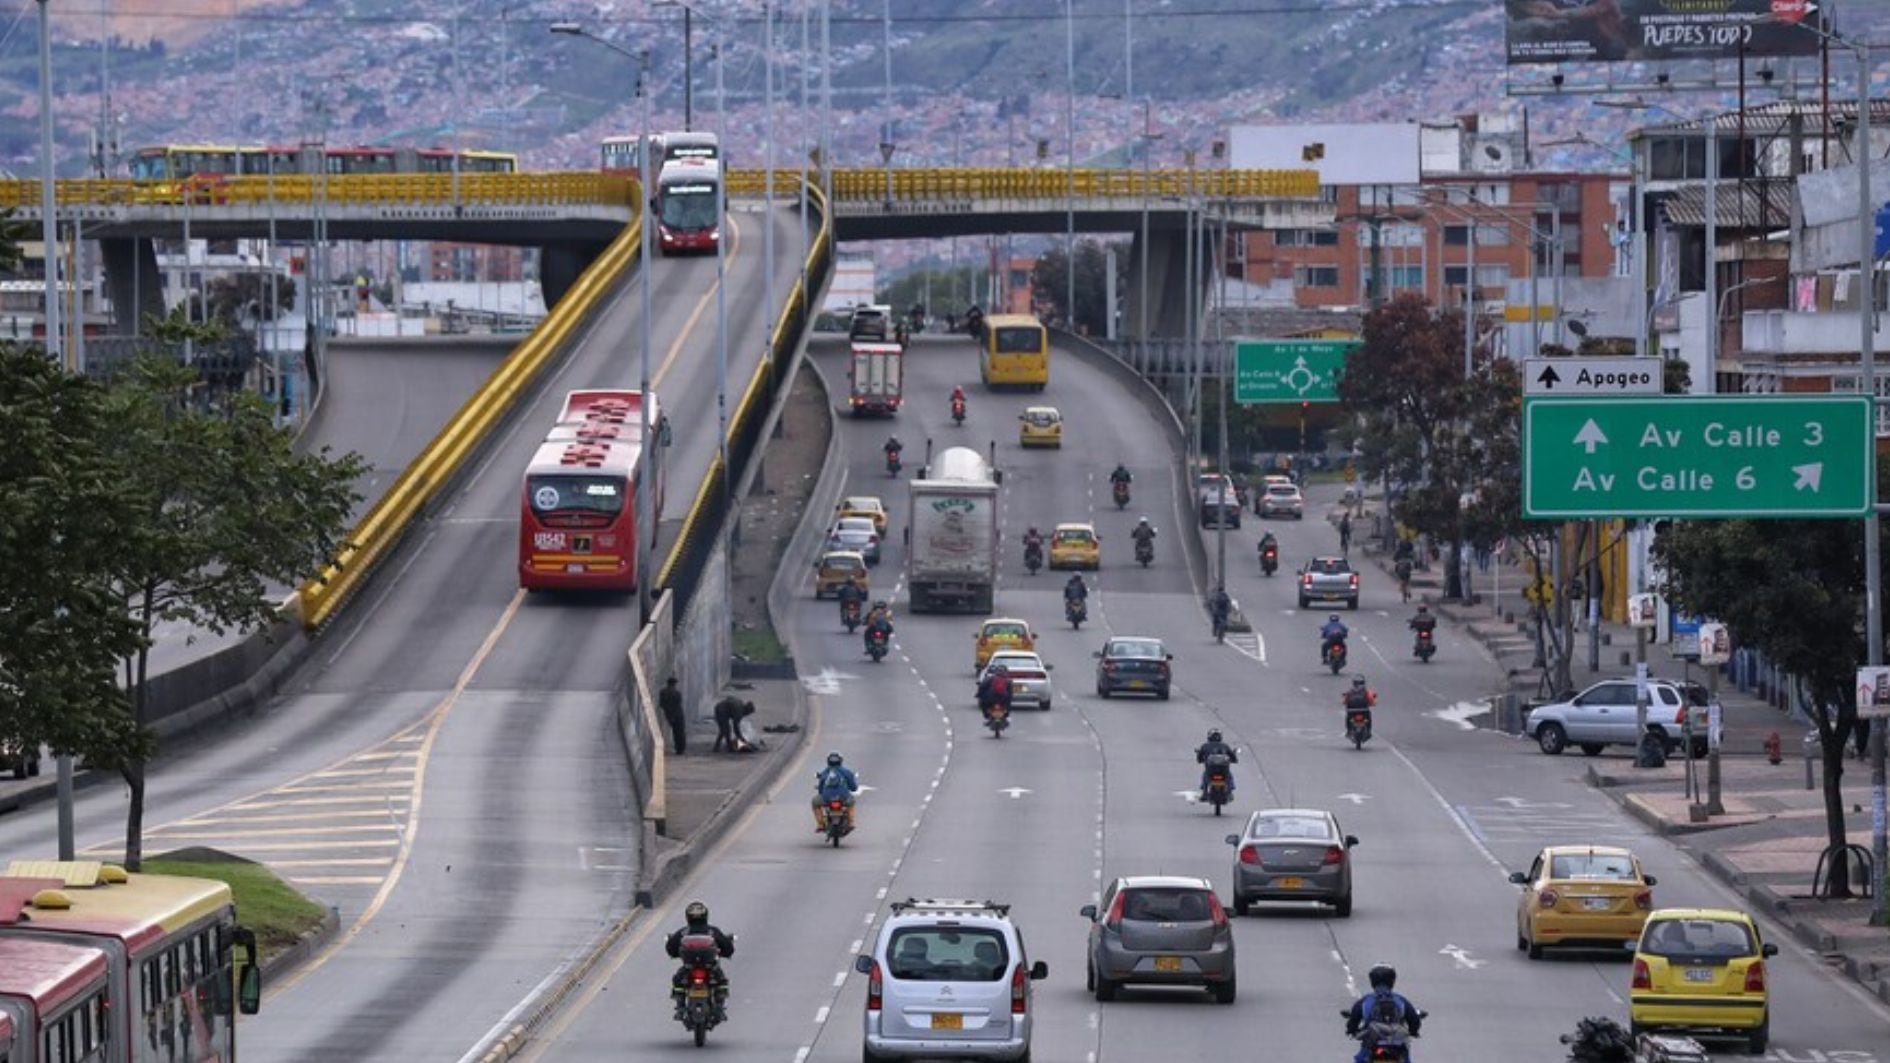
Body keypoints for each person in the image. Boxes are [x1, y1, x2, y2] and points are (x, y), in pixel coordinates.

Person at [666, 900, 736, 1019]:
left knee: (678, 980)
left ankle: (680, 1007)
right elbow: (728, 948)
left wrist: (675, 953)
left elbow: (670, 948)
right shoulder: (712, 931)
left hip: (689, 967)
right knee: (721, 980)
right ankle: (719, 1007)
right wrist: (726, 951)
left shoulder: (683, 932)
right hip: (709, 967)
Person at [1344, 963, 1423, 1063]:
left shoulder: (1366, 1001)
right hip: (1397, 1047)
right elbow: (1414, 1020)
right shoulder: (1400, 1000)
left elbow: (1353, 1020)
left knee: (1361, 1058)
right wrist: (1414, 1031)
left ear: (1372, 981)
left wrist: (1351, 1030)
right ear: (1392, 981)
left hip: (1372, 1045)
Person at [811, 751, 860, 832]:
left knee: (815, 803)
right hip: (843, 798)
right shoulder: (846, 772)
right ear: (840, 761)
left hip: (827, 798)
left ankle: (820, 825)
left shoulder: (825, 772)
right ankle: (851, 823)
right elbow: (854, 788)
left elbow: (820, 789)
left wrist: (823, 794)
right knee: (851, 803)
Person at [1195, 728, 1237, 797]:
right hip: (1223, 771)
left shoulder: (1205, 746)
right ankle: (1230, 791)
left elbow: (1199, 759)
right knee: (1229, 775)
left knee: (1205, 775)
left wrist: (1201, 759)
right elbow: (1233, 758)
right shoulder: (1225, 746)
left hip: (1211, 771)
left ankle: (1204, 792)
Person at [658, 676, 687, 756]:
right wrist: (674, 715)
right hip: (678, 715)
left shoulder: (662, 692)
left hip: (669, 714)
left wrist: (669, 715)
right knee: (680, 732)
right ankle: (680, 749)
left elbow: (661, 704)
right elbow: (678, 704)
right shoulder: (677, 693)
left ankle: (679, 749)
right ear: (674, 684)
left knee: (676, 732)